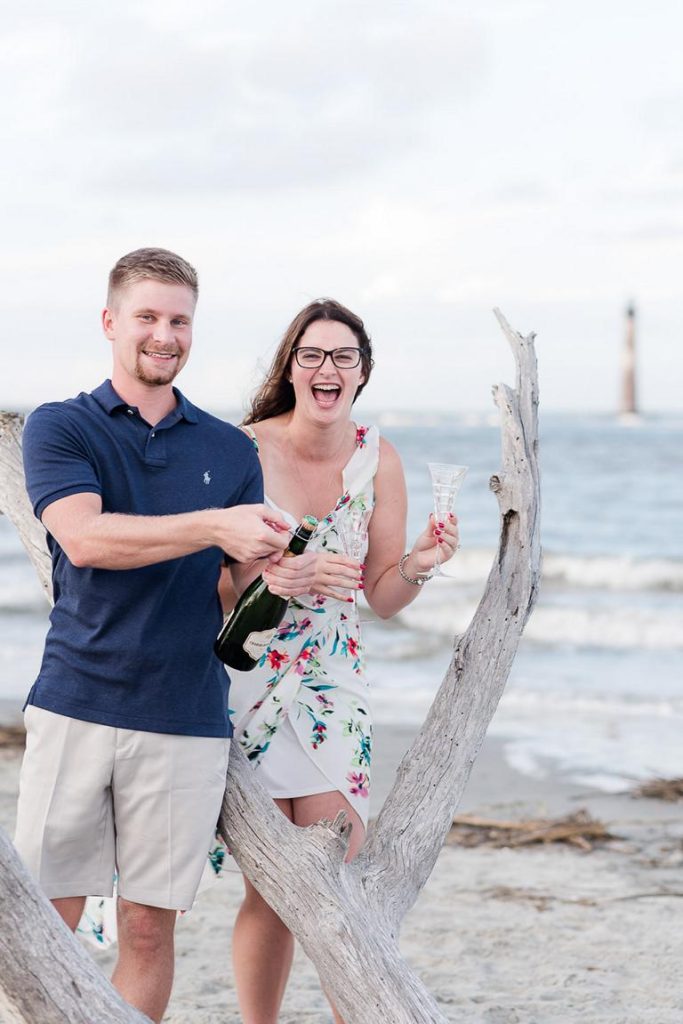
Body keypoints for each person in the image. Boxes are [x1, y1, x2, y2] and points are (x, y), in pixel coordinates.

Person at [14, 247, 289, 1023]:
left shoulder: (231, 450)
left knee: (146, 927)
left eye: (179, 320)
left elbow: (234, 589)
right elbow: (87, 541)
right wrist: (213, 525)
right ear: (110, 322)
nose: (164, 334)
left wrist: (279, 576)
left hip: (185, 715)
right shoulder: (61, 426)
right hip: (77, 701)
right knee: (43, 925)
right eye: (147, 316)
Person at [224, 299, 459, 1024]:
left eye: (342, 357)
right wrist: (272, 579)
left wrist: (420, 563)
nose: (327, 368)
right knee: (269, 886)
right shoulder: (240, 450)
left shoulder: (376, 457)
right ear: (291, 367)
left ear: (361, 373)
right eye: (313, 355)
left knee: (335, 883)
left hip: (334, 684)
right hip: (250, 676)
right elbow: (216, 586)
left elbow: (382, 596)